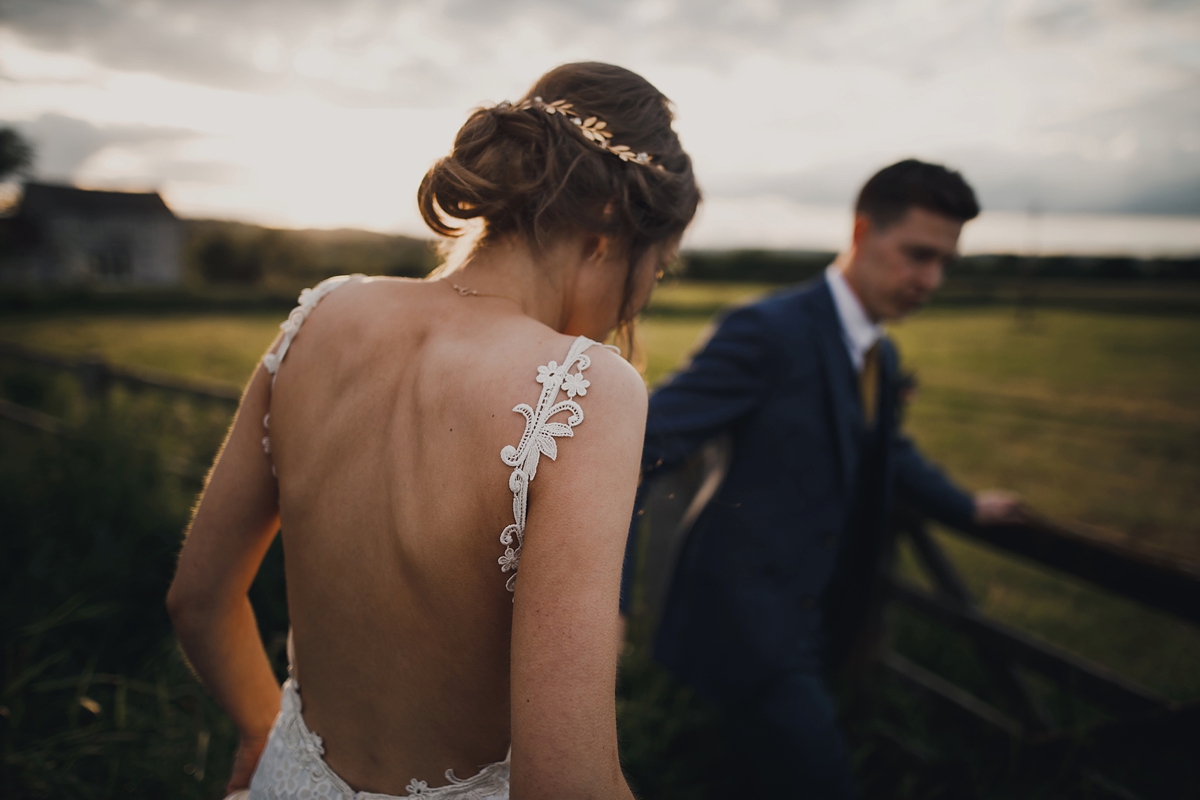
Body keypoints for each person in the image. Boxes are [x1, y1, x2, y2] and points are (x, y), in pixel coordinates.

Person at [167, 62, 700, 800]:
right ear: (610, 222)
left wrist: (265, 737)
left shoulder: (322, 314)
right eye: (658, 267)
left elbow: (197, 598)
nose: (633, 302)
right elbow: (563, 783)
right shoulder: (583, 388)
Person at [621, 159, 1023, 798]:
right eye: (918, 255)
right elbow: (639, 443)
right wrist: (603, 604)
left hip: (820, 619)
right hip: (747, 620)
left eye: (945, 263)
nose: (931, 279)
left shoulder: (879, 352)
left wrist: (966, 507)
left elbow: (885, 448)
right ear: (863, 232)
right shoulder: (766, 330)